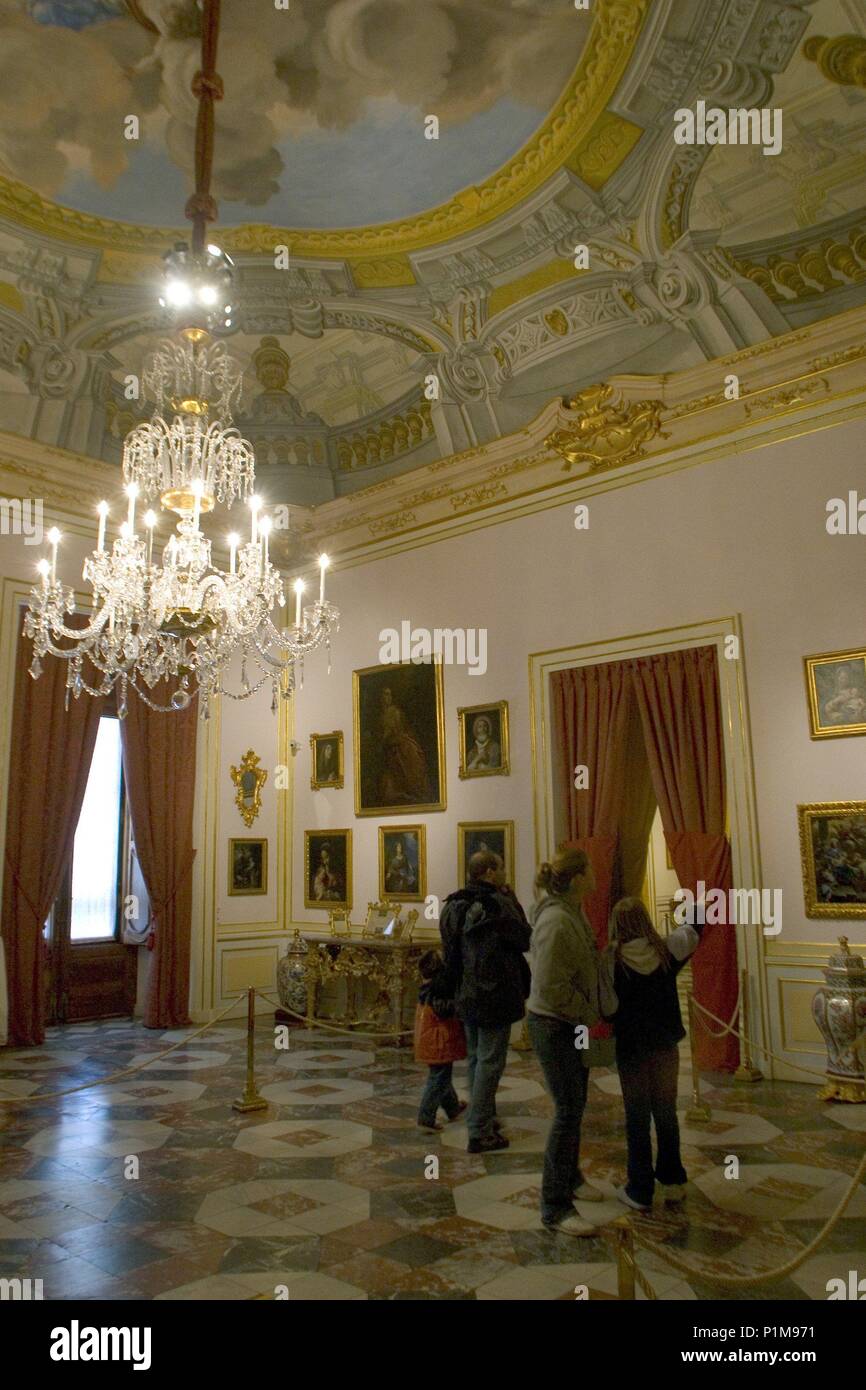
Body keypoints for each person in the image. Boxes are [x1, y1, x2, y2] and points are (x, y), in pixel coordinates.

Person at [527, 846, 605, 1236]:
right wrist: (587, 1011)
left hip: (571, 1023)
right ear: (576, 880)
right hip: (555, 1024)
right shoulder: (556, 921)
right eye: (590, 869)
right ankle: (554, 1206)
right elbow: (550, 986)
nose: (596, 873)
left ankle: (572, 1179)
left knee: (577, 1103)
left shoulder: (574, 911)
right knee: (566, 1110)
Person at [607, 896, 702, 1212]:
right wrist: (698, 896)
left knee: (636, 1117)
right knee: (666, 1112)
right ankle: (673, 1180)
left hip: (632, 1047)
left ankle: (640, 1188)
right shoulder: (666, 949)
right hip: (664, 1044)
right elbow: (694, 929)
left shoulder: (613, 960)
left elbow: (607, 1008)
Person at [440, 850, 531, 1153]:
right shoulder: (498, 904)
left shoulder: (453, 903)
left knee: (478, 1058)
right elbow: (524, 938)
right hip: (495, 994)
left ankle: (485, 1115)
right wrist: (514, 898)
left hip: (465, 993)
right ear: (491, 872)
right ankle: (479, 1129)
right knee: (491, 1061)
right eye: (502, 868)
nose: (505, 873)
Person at [414, 949, 468, 1133]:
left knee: (442, 1076)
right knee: (438, 1079)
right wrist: (460, 1004)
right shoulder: (438, 990)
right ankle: (425, 1117)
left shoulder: (427, 989)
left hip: (432, 1040)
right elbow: (445, 1010)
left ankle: (452, 1108)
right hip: (439, 1041)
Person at [376, 686, 428, 804]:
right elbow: (382, 735)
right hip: (390, 747)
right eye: (385, 694)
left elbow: (398, 730)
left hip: (399, 744)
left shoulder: (395, 711)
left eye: (389, 695)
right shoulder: (380, 716)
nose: (387, 698)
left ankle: (414, 791)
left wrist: (389, 738)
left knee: (411, 758)